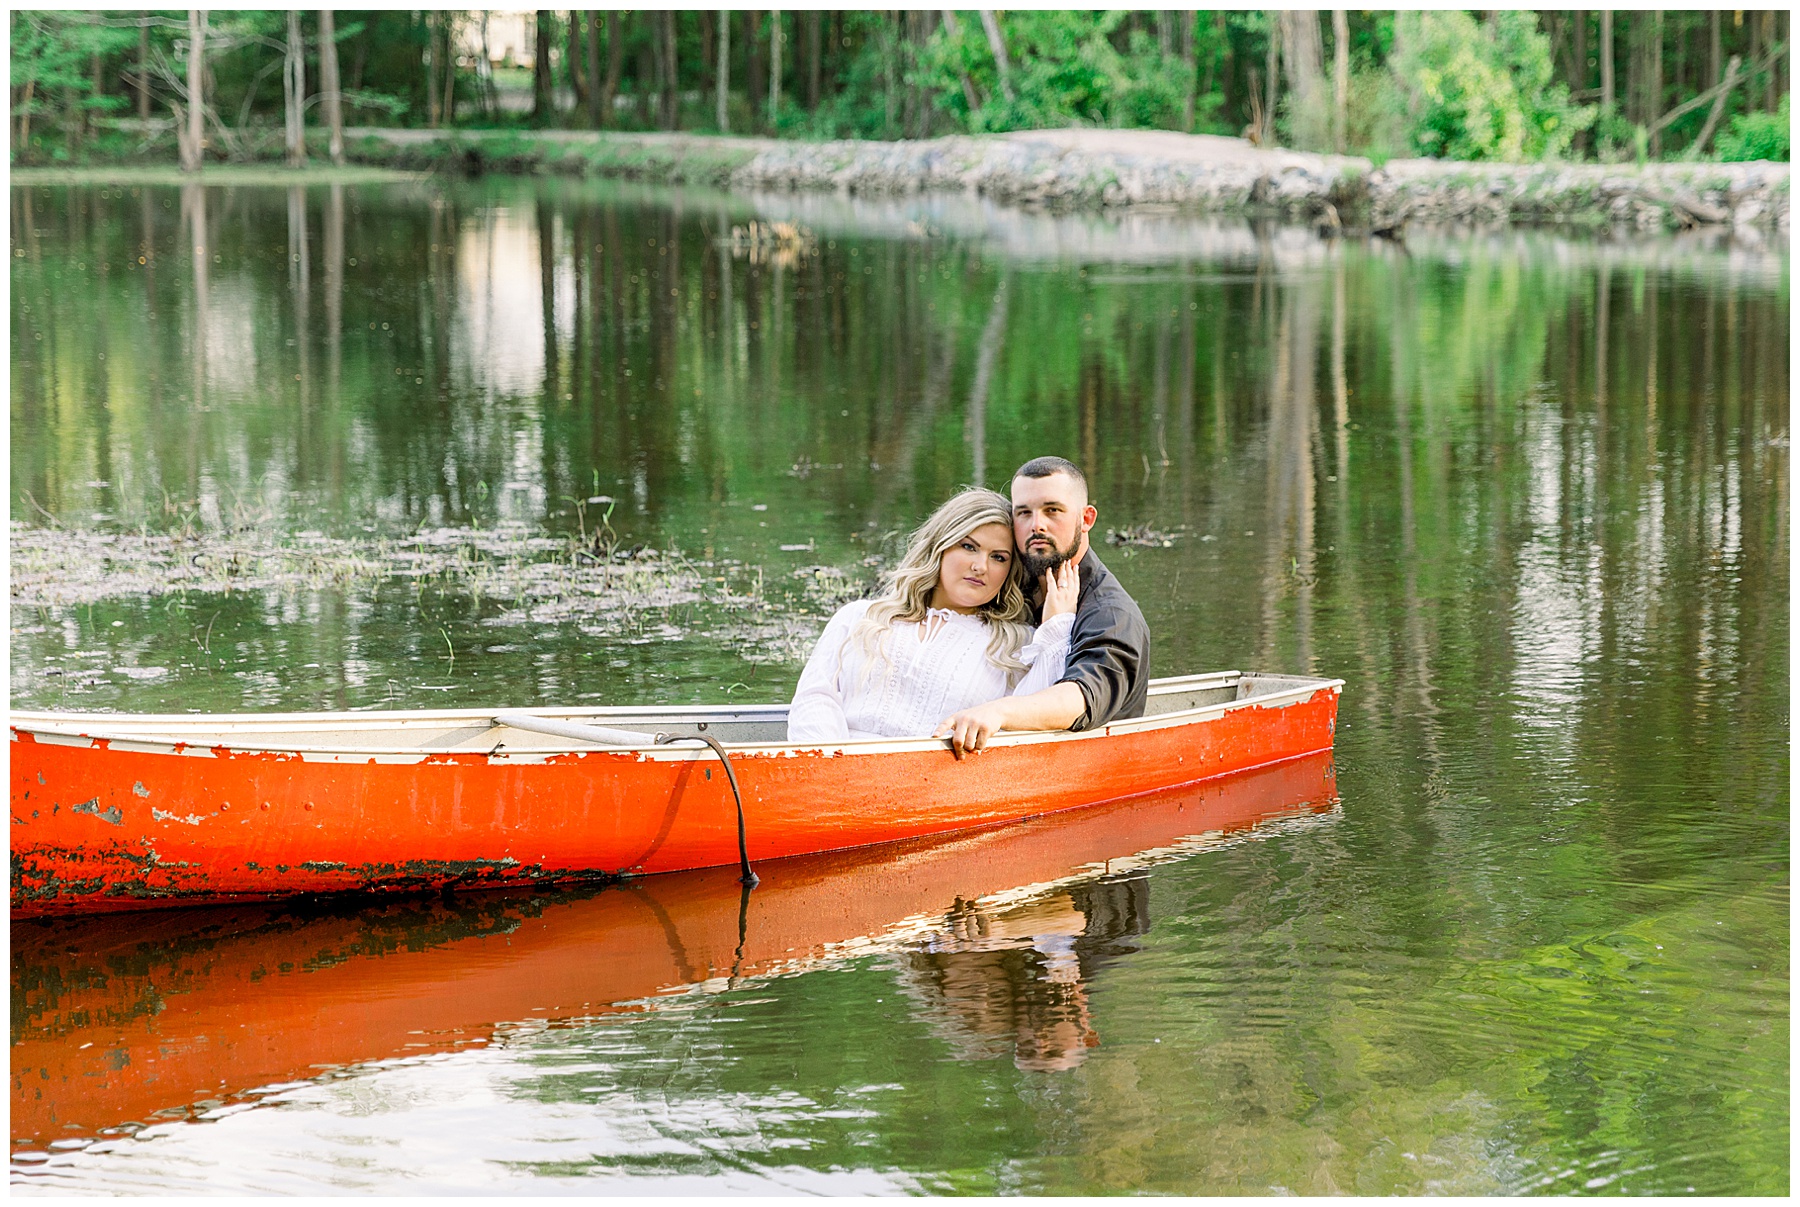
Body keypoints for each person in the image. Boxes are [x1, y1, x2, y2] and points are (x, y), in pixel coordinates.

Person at [787, 488, 1080, 742]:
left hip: (941, 786)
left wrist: (1056, 626)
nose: (981, 566)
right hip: (836, 775)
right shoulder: (859, 617)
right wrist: (834, 769)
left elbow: (1033, 731)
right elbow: (815, 700)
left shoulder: (1013, 645)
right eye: (969, 547)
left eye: (998, 557)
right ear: (939, 547)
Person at [936, 456, 1150, 756]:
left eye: (1052, 511)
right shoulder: (1011, 579)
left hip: (1083, 768)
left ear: (1086, 519)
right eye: (1023, 513)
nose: (1037, 525)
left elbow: (1082, 697)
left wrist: (998, 712)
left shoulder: (1112, 613)